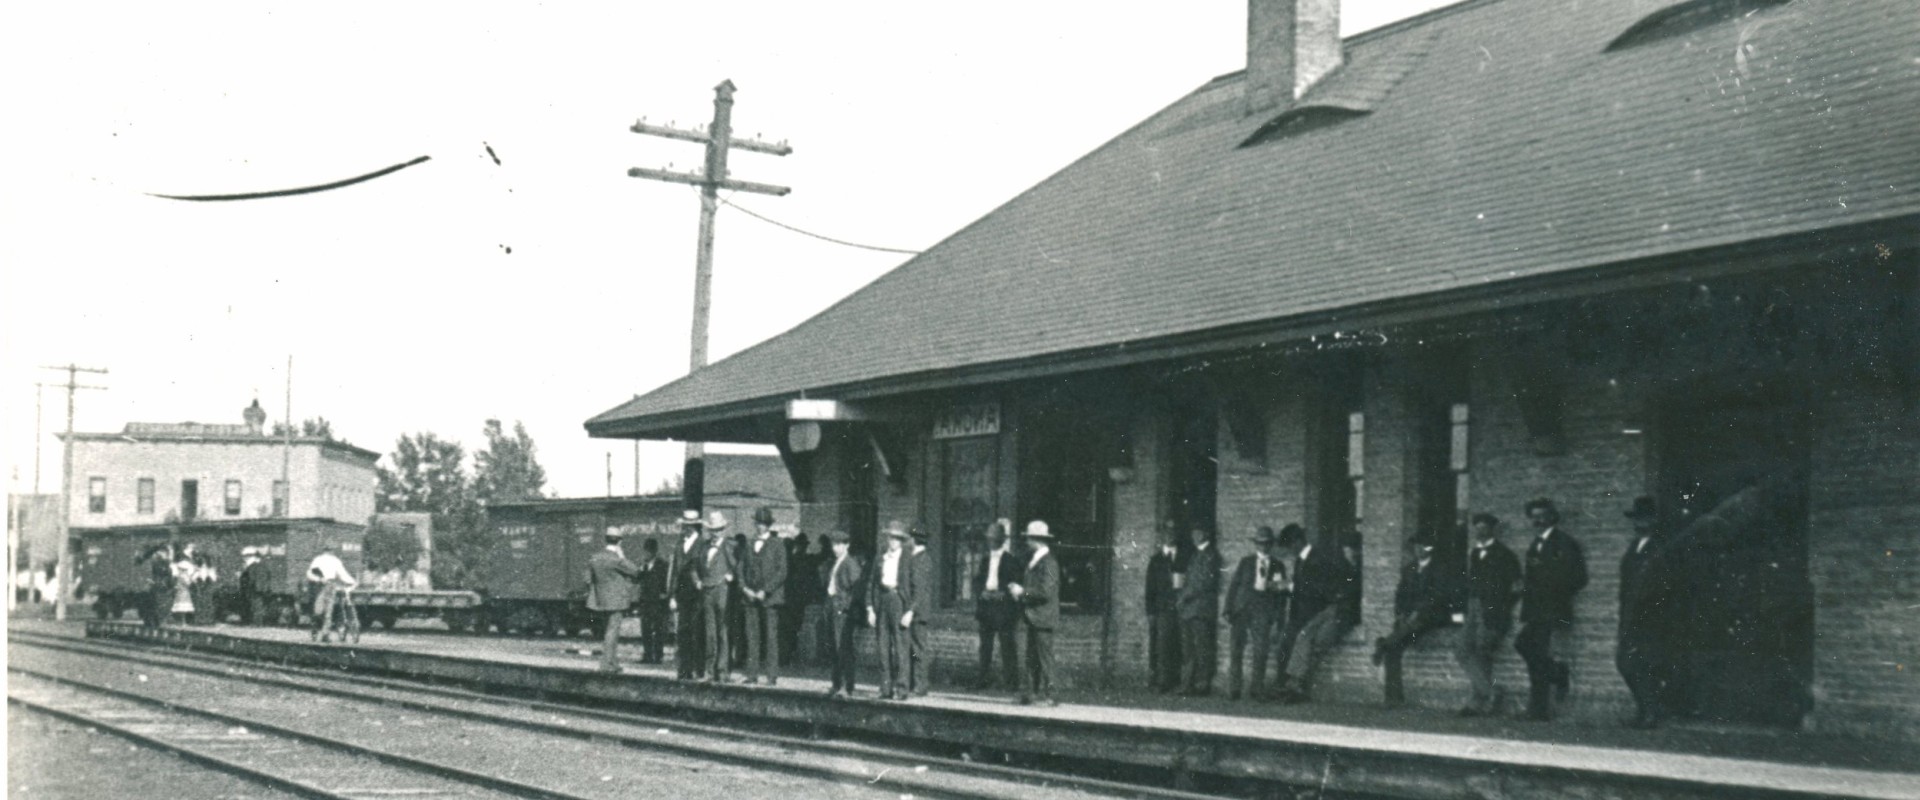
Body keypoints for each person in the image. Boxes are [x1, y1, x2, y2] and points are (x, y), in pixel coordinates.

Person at [1515, 498, 1587, 721]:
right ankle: (1554, 674)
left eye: (1542, 515)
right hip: (1535, 608)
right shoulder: (1536, 544)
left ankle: (1539, 706)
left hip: (1551, 608)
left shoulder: (1563, 542)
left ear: (1552, 516)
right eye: (1534, 516)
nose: (1538, 520)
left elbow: (1578, 577)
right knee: (1529, 647)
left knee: (1530, 647)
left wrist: (1554, 592)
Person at [1372, 528, 1457, 707]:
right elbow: (1400, 594)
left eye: (1424, 546)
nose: (1419, 550)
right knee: (1393, 649)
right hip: (1410, 621)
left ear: (1431, 548)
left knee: (1395, 640)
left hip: (1432, 616)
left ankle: (1383, 643)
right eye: (1416, 546)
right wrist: (1401, 613)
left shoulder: (1441, 568)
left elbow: (1438, 596)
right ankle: (1393, 698)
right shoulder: (1409, 568)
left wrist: (1418, 612)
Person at [1277, 527, 1361, 703]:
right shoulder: (1306, 560)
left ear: (1298, 542)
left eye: (1291, 546)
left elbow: (1319, 587)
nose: (1290, 550)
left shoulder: (1320, 559)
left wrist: (1291, 587)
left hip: (1336, 611)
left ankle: (1298, 686)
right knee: (1304, 636)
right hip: (1326, 609)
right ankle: (1293, 685)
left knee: (1316, 641)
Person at [1617, 496, 1675, 728]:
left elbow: (1662, 584)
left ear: (1654, 521)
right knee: (1624, 662)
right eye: (1637, 519)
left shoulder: (1661, 546)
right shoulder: (1634, 546)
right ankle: (1645, 709)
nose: (1640, 524)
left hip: (1650, 615)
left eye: (1646, 519)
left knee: (1642, 663)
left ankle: (1650, 712)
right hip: (1630, 613)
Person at [1456, 513, 1521, 717]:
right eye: (1477, 528)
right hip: (1474, 607)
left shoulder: (1504, 554)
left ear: (1492, 530)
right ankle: (1490, 692)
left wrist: (1500, 606)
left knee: (1482, 651)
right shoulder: (1474, 554)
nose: (1480, 532)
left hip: (1493, 609)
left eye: (1484, 528)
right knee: (1463, 648)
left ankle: (1478, 700)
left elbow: (1517, 586)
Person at [1226, 526, 1289, 700]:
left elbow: (1282, 594)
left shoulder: (1278, 566)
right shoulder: (1245, 562)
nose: (1263, 547)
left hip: (1263, 611)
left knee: (1261, 650)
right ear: (1256, 545)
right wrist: (1228, 608)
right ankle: (1234, 688)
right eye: (1260, 543)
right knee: (1236, 649)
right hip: (1242, 609)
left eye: (1267, 543)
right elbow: (1234, 586)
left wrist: (1278, 616)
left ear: (1271, 545)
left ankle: (1257, 688)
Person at [866, 520, 917, 701]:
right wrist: (870, 608)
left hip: (899, 602)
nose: (893, 541)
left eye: (897, 538)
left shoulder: (908, 558)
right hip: (882, 601)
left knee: (901, 648)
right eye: (890, 537)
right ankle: (885, 688)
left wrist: (910, 611)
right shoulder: (880, 557)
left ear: (902, 540)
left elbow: (916, 587)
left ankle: (902, 689)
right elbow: (872, 583)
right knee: (883, 647)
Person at [1011, 520, 1060, 706]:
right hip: (1034, 616)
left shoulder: (1049, 563)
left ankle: (1052, 695)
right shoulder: (1037, 560)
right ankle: (1029, 694)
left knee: (1045, 657)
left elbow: (1046, 591)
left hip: (1043, 617)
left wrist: (1022, 592)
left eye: (1029, 538)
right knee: (1032, 657)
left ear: (1037, 540)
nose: (1026, 541)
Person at [973, 519, 1022, 692]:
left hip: (1003, 608)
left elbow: (1016, 583)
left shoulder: (1011, 560)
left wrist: (1003, 593)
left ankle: (1012, 683)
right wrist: (981, 593)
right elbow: (978, 580)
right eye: (989, 539)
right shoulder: (985, 559)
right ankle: (982, 679)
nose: (991, 542)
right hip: (987, 606)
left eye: (994, 539)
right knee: (985, 646)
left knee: (1007, 646)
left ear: (1001, 540)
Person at [741, 507, 788, 685]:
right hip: (750, 597)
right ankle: (752, 674)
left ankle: (771, 675)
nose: (760, 527)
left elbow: (782, 572)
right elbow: (741, 568)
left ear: (769, 525)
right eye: (758, 523)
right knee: (752, 636)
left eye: (764, 524)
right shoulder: (749, 543)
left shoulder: (778, 544)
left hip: (770, 598)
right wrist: (745, 588)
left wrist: (765, 590)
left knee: (770, 636)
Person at [585, 526, 640, 673]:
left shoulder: (595, 557)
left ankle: (612, 663)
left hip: (600, 600)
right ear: (619, 541)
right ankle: (607, 664)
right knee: (612, 631)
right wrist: (622, 556)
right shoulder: (616, 559)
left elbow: (588, 579)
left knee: (607, 631)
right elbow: (635, 571)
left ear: (606, 539)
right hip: (616, 601)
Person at [1177, 526, 1222, 696]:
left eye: (1198, 533)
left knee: (1202, 647)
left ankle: (1202, 685)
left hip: (1201, 609)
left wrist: (1184, 596)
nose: (1194, 536)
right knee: (1188, 648)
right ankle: (1187, 683)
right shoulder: (1195, 555)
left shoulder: (1211, 556)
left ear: (1205, 534)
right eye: (1193, 532)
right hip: (1190, 609)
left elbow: (1204, 582)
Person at [821, 531, 866, 697]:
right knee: (834, 647)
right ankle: (836, 683)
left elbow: (857, 588)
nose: (835, 548)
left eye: (839, 544)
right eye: (833, 544)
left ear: (846, 545)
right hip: (832, 606)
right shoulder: (837, 562)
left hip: (842, 610)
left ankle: (847, 686)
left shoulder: (850, 563)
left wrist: (845, 606)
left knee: (844, 648)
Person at [1144, 520, 1185, 694]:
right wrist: (1150, 611)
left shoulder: (1185, 557)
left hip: (1180, 608)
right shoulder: (1156, 560)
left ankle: (1174, 679)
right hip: (1161, 609)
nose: (1170, 536)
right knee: (1160, 645)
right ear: (1162, 535)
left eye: (1173, 532)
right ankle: (1160, 680)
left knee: (1177, 644)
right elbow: (1150, 588)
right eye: (1167, 532)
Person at [668, 510, 708, 680]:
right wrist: (672, 595)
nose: (687, 528)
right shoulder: (679, 544)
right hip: (682, 594)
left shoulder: (702, 544)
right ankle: (684, 669)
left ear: (695, 525)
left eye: (690, 525)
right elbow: (675, 570)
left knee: (697, 631)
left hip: (697, 594)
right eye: (685, 525)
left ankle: (697, 668)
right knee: (683, 632)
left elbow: (705, 570)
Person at [700, 512, 738, 683]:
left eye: (718, 530)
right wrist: (697, 581)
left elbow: (738, 567)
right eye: (712, 530)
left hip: (722, 591)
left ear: (723, 530)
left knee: (723, 632)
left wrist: (731, 575)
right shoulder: (704, 546)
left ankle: (722, 671)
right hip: (707, 592)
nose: (715, 533)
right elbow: (696, 566)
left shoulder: (730, 546)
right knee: (709, 633)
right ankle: (709, 671)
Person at [306, 544, 358, 643]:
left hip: (321, 586)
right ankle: (320, 631)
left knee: (322, 611)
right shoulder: (333, 560)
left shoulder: (318, 560)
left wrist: (318, 579)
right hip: (327, 585)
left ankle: (322, 632)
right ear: (331, 550)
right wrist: (353, 581)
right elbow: (343, 574)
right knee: (326, 612)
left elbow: (309, 573)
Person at [906, 525, 936, 697]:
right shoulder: (916, 558)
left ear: (914, 540)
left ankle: (920, 684)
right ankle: (914, 683)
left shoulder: (921, 560)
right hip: (914, 611)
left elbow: (919, 589)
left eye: (909, 538)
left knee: (918, 648)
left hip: (917, 612)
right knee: (913, 647)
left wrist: (911, 610)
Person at [636, 538, 670, 664]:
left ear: (654, 552)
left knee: (659, 629)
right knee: (645, 629)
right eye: (645, 552)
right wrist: (641, 568)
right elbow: (637, 578)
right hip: (645, 602)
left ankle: (658, 655)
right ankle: (648, 655)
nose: (646, 555)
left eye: (648, 552)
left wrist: (665, 595)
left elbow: (666, 582)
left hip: (658, 603)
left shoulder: (663, 565)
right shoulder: (644, 566)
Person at [142, 544, 174, 628]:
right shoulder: (157, 559)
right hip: (159, 584)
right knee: (159, 603)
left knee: (160, 603)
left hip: (160, 583)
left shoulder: (156, 559)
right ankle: (158, 621)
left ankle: (157, 620)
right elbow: (165, 566)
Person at [238, 547, 271, 626]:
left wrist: (243, 579)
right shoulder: (263, 566)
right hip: (261, 588)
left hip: (254, 589)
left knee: (255, 606)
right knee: (259, 606)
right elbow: (268, 576)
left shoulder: (252, 567)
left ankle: (256, 623)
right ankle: (258, 623)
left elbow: (251, 578)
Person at [171, 546, 198, 624]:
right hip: (184, 593)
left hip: (180, 592)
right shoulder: (183, 576)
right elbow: (188, 583)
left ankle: (181, 621)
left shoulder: (179, 575)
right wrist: (194, 574)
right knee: (183, 608)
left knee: (181, 608)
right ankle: (183, 622)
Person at [191, 550, 219, 625]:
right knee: (200, 603)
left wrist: (209, 576)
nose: (203, 563)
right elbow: (193, 579)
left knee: (208, 603)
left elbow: (214, 579)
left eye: (205, 560)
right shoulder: (198, 570)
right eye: (202, 561)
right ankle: (200, 620)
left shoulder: (211, 569)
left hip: (207, 588)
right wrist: (197, 579)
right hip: (200, 589)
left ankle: (208, 620)